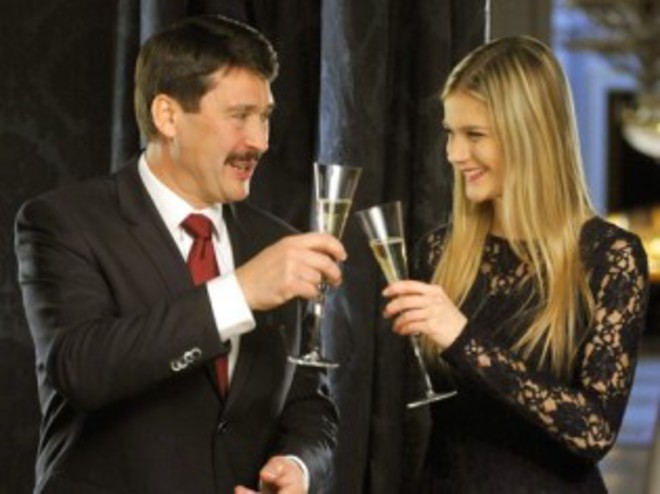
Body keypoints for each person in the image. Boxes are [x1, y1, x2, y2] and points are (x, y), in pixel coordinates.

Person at [15, 15, 344, 494]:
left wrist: (298, 465)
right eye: (239, 116)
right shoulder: (63, 221)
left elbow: (308, 401)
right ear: (167, 116)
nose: (260, 141)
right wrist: (239, 292)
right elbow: (81, 369)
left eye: (265, 116)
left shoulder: (275, 241)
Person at [383, 36, 650, 492]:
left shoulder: (611, 257)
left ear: (529, 136)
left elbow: (594, 431)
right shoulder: (437, 253)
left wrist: (462, 338)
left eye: (474, 135)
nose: (454, 153)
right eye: (450, 132)